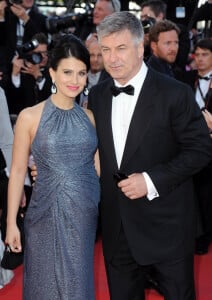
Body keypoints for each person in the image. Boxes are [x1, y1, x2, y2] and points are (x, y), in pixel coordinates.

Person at [87, 11, 212, 300]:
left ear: (140, 48)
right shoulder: (99, 95)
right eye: (106, 50)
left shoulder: (176, 93)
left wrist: (151, 180)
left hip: (166, 224)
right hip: (117, 226)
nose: (112, 58)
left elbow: (200, 150)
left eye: (121, 48)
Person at [5, 34, 100, 299]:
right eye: (67, 72)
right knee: (44, 286)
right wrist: (11, 222)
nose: (75, 80)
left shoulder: (91, 118)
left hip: (83, 215)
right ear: (53, 73)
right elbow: (17, 172)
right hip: (44, 214)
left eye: (81, 73)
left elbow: (98, 168)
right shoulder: (29, 116)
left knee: (77, 286)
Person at [9, 32, 51, 114]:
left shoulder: (53, 71)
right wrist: (15, 75)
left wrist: (38, 76)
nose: (43, 57)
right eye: (39, 53)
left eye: (45, 53)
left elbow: (51, 99)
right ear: (30, 53)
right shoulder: (22, 70)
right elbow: (13, 103)